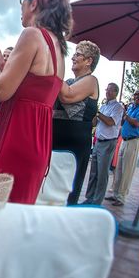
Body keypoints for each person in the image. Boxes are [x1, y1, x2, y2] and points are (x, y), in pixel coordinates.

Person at [0, 0, 70, 204]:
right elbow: (34, 89)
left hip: (16, 135)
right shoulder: (59, 49)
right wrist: (1, 66)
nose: (21, 8)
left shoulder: (32, 35)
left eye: (22, 1)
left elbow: (2, 90)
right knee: (14, 217)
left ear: (33, 4)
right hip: (38, 141)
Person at [52, 40, 100, 205]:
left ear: (89, 61)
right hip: (56, 140)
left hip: (74, 145)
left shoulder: (91, 81)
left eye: (78, 54)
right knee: (51, 188)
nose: (73, 57)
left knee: (67, 191)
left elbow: (67, 96)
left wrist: (55, 62)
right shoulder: (70, 81)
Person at [83, 83, 124, 205]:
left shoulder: (118, 107)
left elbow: (111, 122)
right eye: (106, 89)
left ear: (116, 92)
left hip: (108, 143)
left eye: (110, 90)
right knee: (94, 172)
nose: (107, 92)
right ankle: (89, 197)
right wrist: (95, 115)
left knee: (102, 173)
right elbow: (95, 123)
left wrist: (98, 114)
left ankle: (97, 200)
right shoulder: (104, 106)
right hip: (98, 141)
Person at [108, 89, 139, 206]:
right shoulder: (131, 107)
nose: (136, 97)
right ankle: (115, 194)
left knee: (127, 170)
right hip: (124, 141)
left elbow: (136, 123)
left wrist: (126, 115)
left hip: (133, 141)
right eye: (135, 94)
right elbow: (123, 121)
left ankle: (121, 198)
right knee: (119, 168)